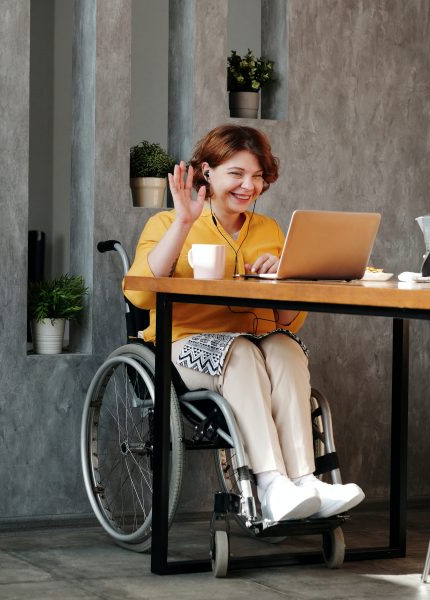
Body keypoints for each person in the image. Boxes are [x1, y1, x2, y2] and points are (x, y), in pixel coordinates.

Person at [124, 124, 364, 522]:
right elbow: (141, 295)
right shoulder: (167, 224)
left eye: (257, 176)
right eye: (236, 173)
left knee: (285, 347)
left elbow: (287, 321)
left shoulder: (269, 230)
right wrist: (184, 223)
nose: (248, 185)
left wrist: (284, 277)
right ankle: (270, 484)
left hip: (253, 345)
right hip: (184, 346)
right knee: (242, 352)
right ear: (208, 172)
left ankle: (304, 482)